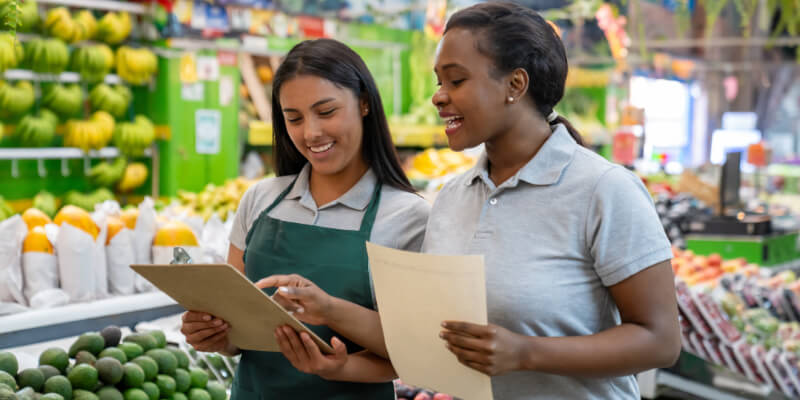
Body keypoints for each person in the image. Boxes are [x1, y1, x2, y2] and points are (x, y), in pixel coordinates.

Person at [425, 2, 681, 399]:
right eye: (438, 82)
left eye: (455, 80)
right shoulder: (451, 198)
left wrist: (527, 353)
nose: (438, 98)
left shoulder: (604, 190)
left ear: (515, 85)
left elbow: (660, 340)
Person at [178, 38, 430, 400]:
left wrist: (330, 320)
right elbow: (237, 332)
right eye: (293, 118)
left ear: (363, 103)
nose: (311, 133)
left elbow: (416, 351)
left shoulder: (408, 217)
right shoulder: (259, 200)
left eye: (326, 112)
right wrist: (216, 335)